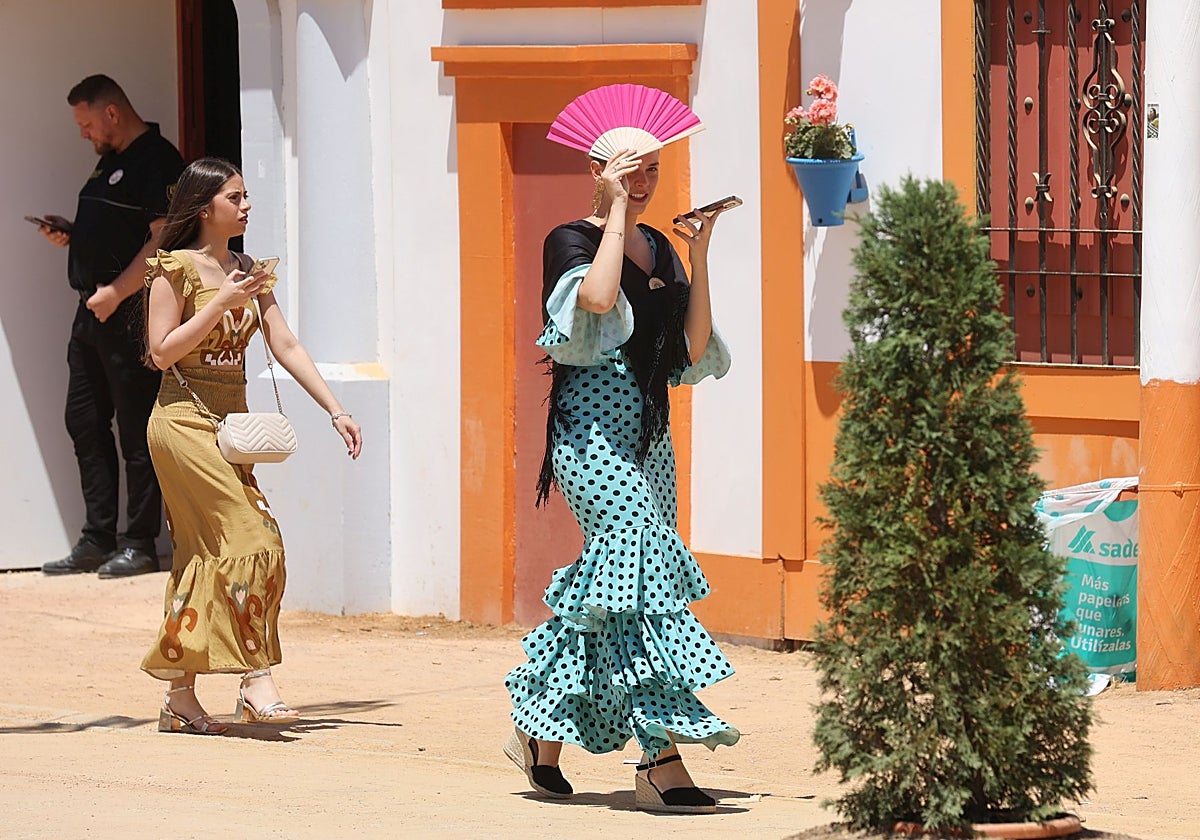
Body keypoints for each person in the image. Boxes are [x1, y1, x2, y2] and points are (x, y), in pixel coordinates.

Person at [503, 147, 739, 813]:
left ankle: (537, 721)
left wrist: (697, 256)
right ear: (598, 170)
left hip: (649, 436)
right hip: (589, 433)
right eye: (629, 168)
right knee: (638, 568)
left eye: (652, 169)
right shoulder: (571, 238)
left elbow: (690, 351)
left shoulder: (660, 246)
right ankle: (660, 757)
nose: (644, 181)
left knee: (614, 587)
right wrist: (613, 216)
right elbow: (597, 300)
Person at [139, 157, 363, 735]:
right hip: (182, 422)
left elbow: (283, 342)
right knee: (254, 536)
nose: (246, 206)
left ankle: (179, 697)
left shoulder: (249, 268)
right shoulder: (172, 269)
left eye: (246, 196)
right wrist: (217, 302)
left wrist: (334, 409)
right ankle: (256, 678)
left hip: (229, 427)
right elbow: (160, 352)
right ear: (204, 206)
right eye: (235, 197)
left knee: (200, 551)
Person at [37, 75, 185, 579]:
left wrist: (118, 292)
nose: (83, 134)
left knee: (137, 429)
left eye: (86, 123)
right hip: (92, 313)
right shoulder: (109, 162)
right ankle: (96, 538)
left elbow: (163, 243)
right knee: (84, 422)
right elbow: (116, 232)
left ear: (112, 113)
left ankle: (140, 542)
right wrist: (75, 237)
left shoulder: (158, 159)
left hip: (129, 312)